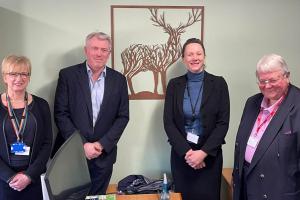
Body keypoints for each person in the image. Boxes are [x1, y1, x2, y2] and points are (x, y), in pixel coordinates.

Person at [54, 32, 129, 195]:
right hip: (72, 155)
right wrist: (82, 145)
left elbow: (123, 117)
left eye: (104, 50)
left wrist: (101, 144)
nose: (99, 53)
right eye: (95, 48)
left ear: (109, 53)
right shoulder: (68, 76)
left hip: (103, 156)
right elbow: (61, 114)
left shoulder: (119, 80)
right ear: (85, 50)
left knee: (97, 198)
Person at [163, 38, 230, 200]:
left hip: (209, 158)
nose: (195, 58)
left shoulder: (219, 84)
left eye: (199, 53)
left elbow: (223, 123)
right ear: (183, 59)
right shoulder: (174, 85)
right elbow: (169, 122)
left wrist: (203, 153)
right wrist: (188, 153)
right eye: (190, 54)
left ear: (204, 56)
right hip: (182, 157)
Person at [232, 54, 300, 200]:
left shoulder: (297, 105)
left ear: (287, 76)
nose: (267, 85)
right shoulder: (251, 103)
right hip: (246, 185)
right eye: (263, 81)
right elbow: (240, 148)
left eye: (273, 80)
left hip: (277, 192)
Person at [0, 55, 53, 200]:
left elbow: (47, 143)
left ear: (29, 77)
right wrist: (9, 177)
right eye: (13, 74)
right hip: (4, 182)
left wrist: (29, 175)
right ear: (4, 77)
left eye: (24, 73)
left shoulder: (41, 105)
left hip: (34, 179)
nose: (19, 78)